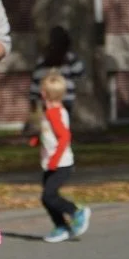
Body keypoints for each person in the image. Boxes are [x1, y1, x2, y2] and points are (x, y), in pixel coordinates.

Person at [35, 70, 91, 243]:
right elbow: (52, 134)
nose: (41, 92)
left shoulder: (54, 113)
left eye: (42, 90)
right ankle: (61, 226)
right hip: (51, 163)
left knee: (48, 196)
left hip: (60, 164)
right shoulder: (53, 111)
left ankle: (76, 211)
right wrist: (36, 140)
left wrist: (54, 160)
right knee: (47, 198)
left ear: (46, 93)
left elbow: (64, 136)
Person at [29, 25, 85, 113]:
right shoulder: (70, 58)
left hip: (47, 100)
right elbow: (79, 73)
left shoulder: (43, 60)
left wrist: (33, 98)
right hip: (66, 98)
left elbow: (36, 81)